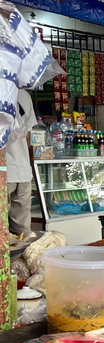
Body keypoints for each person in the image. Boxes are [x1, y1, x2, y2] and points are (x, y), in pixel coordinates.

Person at [6, 89, 36, 236]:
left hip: (4, 172)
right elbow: (29, 136)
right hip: (23, 171)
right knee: (22, 232)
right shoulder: (24, 95)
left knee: (2, 231)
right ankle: (21, 258)